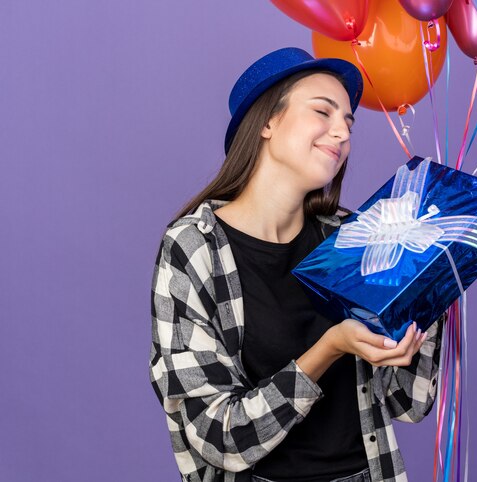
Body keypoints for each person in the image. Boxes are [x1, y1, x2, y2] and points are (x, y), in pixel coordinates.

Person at [149, 47, 444, 482]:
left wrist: (431, 280)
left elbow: (408, 402)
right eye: (323, 112)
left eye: (348, 122)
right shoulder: (193, 249)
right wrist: (330, 347)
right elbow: (220, 437)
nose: (342, 133)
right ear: (267, 121)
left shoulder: (352, 237)